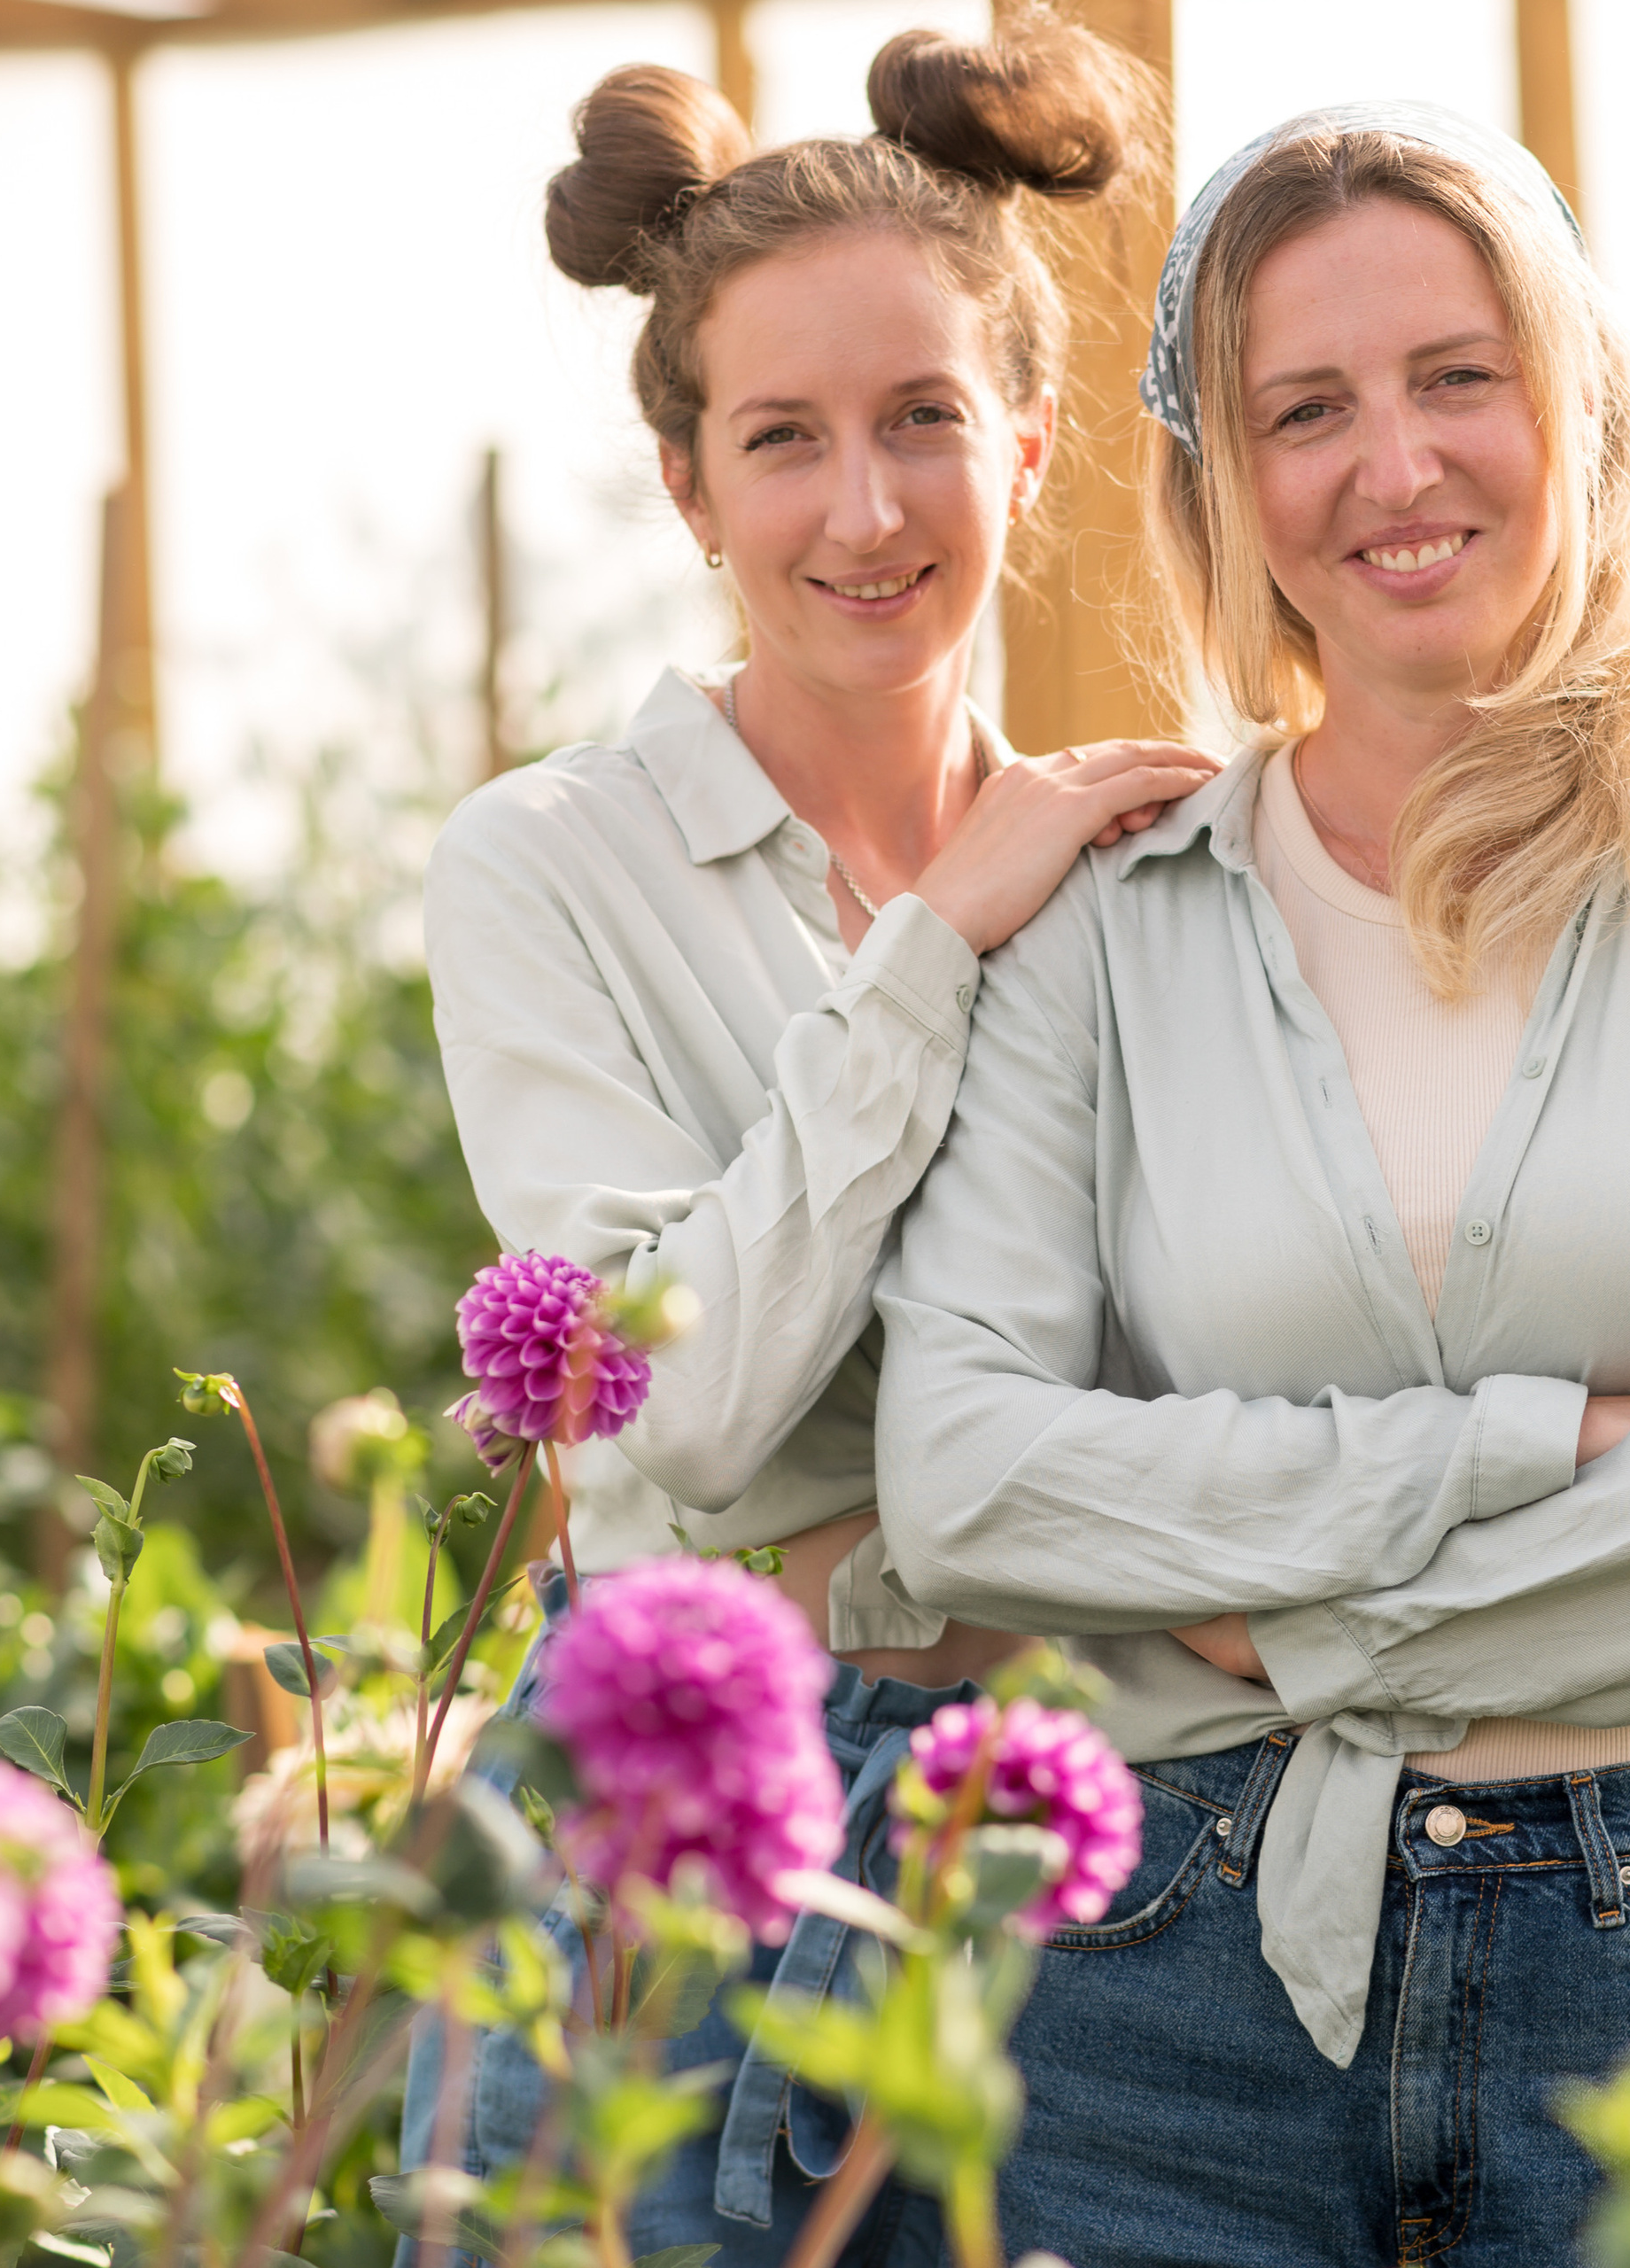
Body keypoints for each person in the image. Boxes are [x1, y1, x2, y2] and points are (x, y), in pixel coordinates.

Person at [875, 102, 1630, 2263]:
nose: (1390, 467)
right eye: (1304, 408)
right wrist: (1552, 1444)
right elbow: (964, 1475)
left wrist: (1287, 1610)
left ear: (1572, 398)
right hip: (1167, 1971)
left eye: (1452, 376)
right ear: (1225, 482)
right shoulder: (1112, 914)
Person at [399, 21, 1207, 2262]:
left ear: (1028, 450)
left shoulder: (1151, 874)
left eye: (924, 421)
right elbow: (690, 1389)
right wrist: (932, 943)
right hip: (688, 1811)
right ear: (686, 485)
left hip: (1092, 1819)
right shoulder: (545, 865)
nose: (862, 509)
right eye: (783, 439)